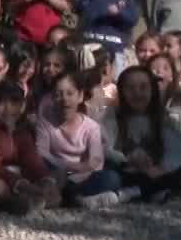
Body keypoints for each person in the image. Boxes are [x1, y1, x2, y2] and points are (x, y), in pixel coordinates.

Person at [98, 66, 181, 204]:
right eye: (130, 88)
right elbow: (105, 147)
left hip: (156, 171)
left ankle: (132, 193)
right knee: (110, 176)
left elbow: (175, 152)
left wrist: (160, 169)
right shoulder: (112, 116)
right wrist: (127, 159)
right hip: (127, 170)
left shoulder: (165, 118)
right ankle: (154, 192)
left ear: (152, 90)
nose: (137, 93)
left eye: (143, 87)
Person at [37, 71, 126, 208]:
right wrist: (62, 168)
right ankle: (76, 199)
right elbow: (42, 153)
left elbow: (95, 162)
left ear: (80, 96)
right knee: (40, 171)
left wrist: (72, 171)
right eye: (58, 94)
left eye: (70, 93)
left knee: (111, 178)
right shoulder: (45, 122)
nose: (64, 99)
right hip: (54, 171)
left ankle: (69, 197)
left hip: (82, 175)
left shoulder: (91, 127)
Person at [0, 81, 56, 213]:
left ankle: (35, 199)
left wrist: (45, 180)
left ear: (22, 106)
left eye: (14, 103)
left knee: (56, 177)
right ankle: (15, 203)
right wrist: (23, 184)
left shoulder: (22, 129)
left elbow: (31, 159)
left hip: (20, 178)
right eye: (1, 103)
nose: (8, 109)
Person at [74, 0, 139, 77]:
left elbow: (133, 19)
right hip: (90, 46)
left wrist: (119, 13)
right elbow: (79, 8)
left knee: (115, 84)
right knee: (86, 80)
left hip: (115, 48)